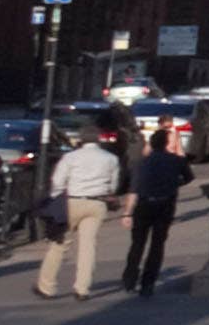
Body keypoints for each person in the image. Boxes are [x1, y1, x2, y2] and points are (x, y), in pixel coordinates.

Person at [36, 117, 120, 300]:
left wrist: (55, 198)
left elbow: (58, 182)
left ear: (81, 139)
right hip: (97, 203)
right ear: (98, 139)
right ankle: (82, 288)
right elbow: (112, 186)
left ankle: (47, 287)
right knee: (88, 246)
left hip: (72, 202)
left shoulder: (70, 157)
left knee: (59, 244)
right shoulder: (111, 159)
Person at [119, 122, 194, 297]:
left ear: (151, 144)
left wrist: (127, 212)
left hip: (144, 204)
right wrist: (175, 183)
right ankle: (148, 282)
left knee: (137, 243)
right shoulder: (176, 161)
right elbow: (189, 177)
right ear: (166, 144)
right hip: (165, 204)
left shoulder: (142, 163)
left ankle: (130, 277)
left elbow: (134, 189)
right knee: (157, 245)